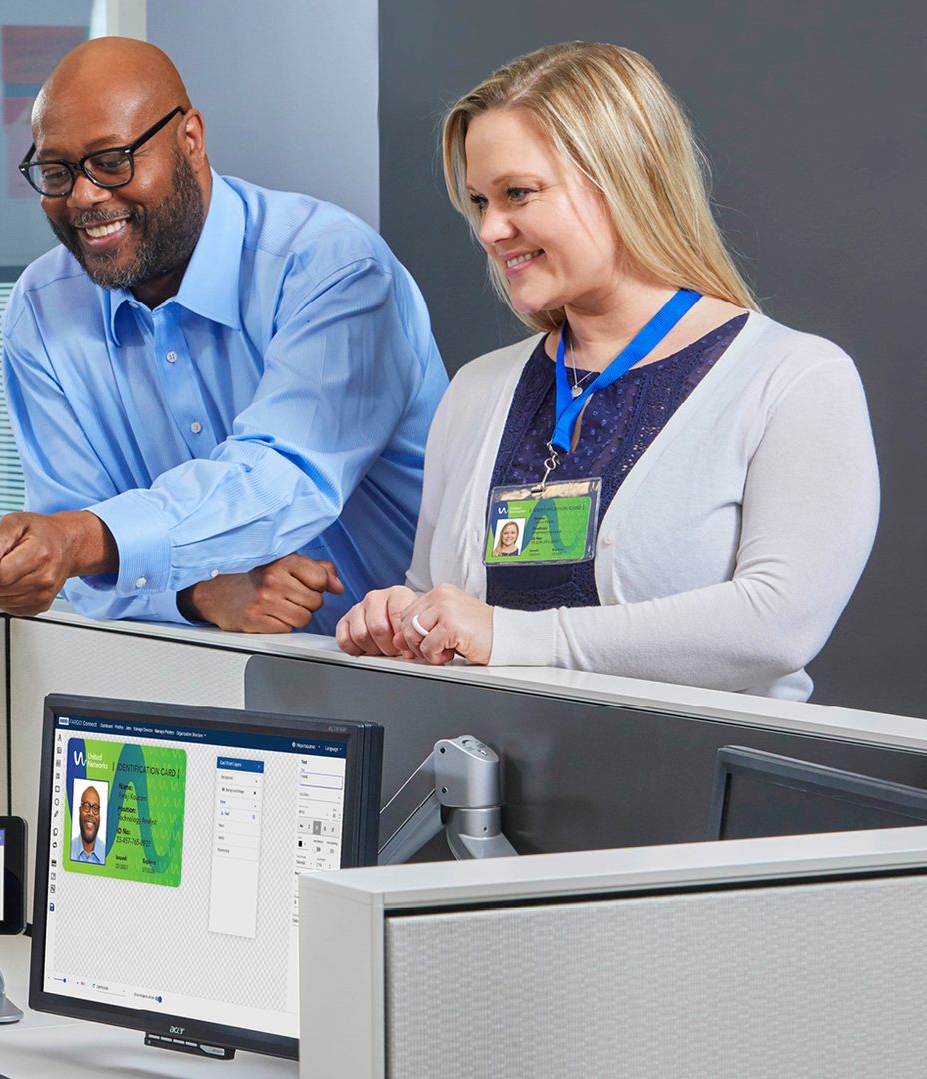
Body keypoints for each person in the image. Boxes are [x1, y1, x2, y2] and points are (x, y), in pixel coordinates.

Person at [335, 43, 878, 701]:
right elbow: (450, 616)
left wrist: (512, 638)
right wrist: (405, 621)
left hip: (695, 797)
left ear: (629, 177)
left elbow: (775, 627)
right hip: (480, 793)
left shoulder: (794, 379)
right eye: (480, 201)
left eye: (518, 193)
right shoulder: (476, 391)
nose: (489, 229)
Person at [0, 37, 447, 636]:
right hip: (207, 680)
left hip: (416, 669)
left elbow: (283, 478)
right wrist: (196, 595)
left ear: (189, 139)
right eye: (56, 171)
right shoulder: (41, 311)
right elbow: (73, 571)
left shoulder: (333, 267)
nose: (85, 196)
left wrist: (83, 539)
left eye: (112, 161)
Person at [72, 785, 105, 863]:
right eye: (86, 806)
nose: (91, 813)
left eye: (95, 808)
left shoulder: (107, 854)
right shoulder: (66, 849)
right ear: (80, 810)